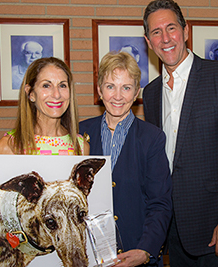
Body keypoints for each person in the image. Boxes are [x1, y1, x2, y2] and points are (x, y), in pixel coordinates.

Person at [142, 0, 218, 266]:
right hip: (172, 229)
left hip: (215, 228)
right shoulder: (150, 93)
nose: (165, 38)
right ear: (149, 42)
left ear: (186, 31)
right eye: (156, 32)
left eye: (171, 28)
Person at [79, 51, 172, 267]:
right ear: (99, 89)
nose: (118, 96)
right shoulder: (79, 133)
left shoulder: (152, 138)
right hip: (88, 255)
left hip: (136, 254)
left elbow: (160, 203)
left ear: (136, 92)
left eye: (126, 88)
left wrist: (146, 250)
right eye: (110, 86)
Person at [0, 57, 89, 156]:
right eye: (46, 86)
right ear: (31, 93)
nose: (56, 94)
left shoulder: (81, 146)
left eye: (62, 85)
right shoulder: (9, 146)